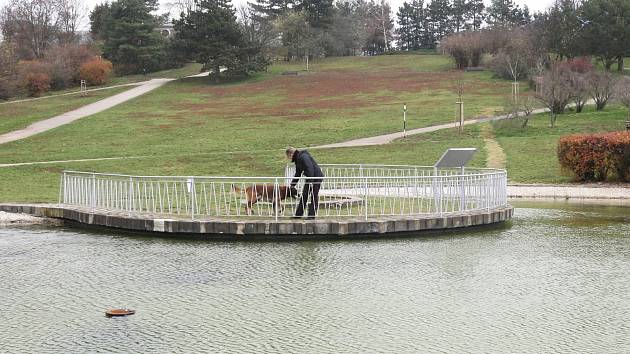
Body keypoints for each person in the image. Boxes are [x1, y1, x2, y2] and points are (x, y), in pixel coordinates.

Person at [286, 147, 324, 219]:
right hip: (311, 177)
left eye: (288, 156)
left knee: (314, 196)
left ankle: (311, 215)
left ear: (291, 154)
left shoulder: (303, 157)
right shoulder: (298, 159)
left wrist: (311, 182)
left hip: (316, 177)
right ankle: (298, 214)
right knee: (304, 195)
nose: (289, 159)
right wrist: (292, 185)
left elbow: (310, 168)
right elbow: (298, 173)